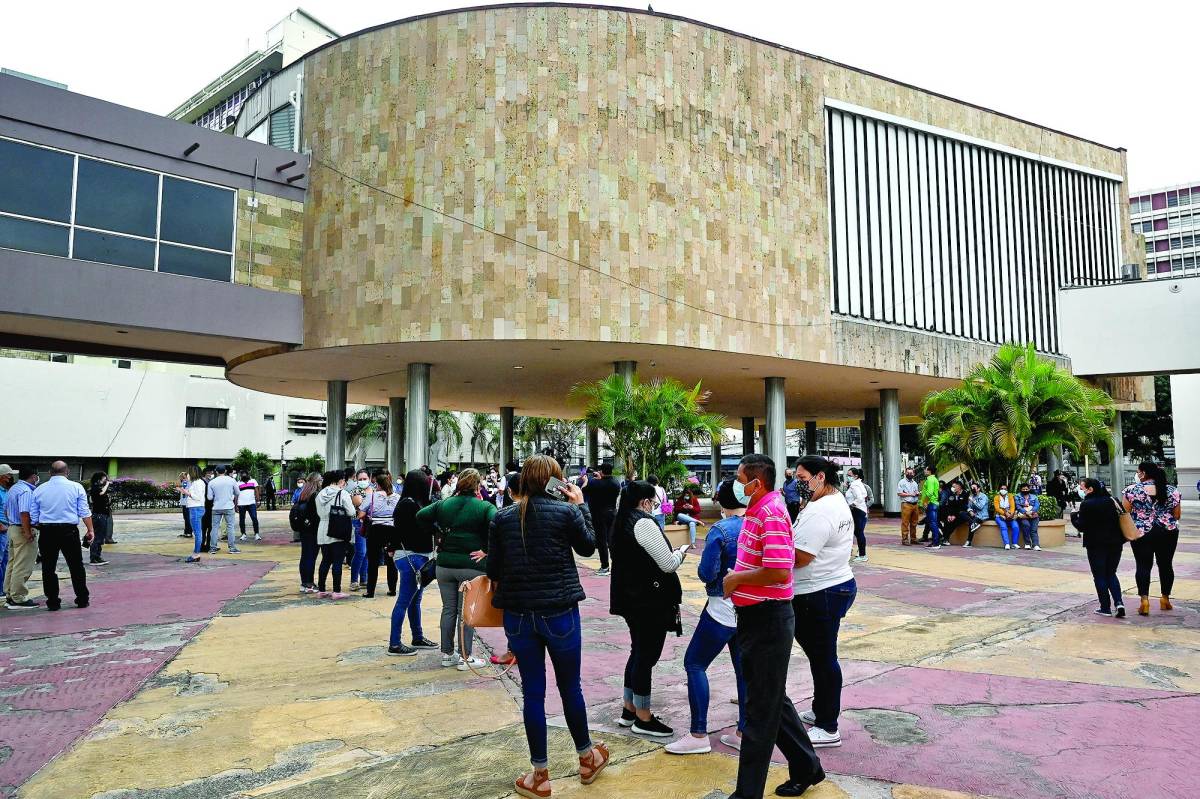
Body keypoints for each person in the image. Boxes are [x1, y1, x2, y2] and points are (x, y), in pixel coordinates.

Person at [487, 454, 609, 796]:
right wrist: (581, 505)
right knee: (571, 688)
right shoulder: (567, 512)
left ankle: (539, 774)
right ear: (554, 481)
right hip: (560, 614)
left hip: (519, 618)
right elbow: (588, 547)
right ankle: (586, 758)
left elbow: (494, 570)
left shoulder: (502, 517)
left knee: (533, 693)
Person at [722, 453, 823, 799]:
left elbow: (781, 569)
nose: (735, 484)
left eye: (739, 478)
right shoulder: (757, 508)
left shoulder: (771, 511)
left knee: (759, 712)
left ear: (756, 482)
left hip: (768, 618)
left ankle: (746, 793)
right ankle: (807, 766)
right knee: (771, 700)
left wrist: (737, 580)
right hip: (755, 618)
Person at [665, 478, 747, 755]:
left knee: (695, 663)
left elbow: (706, 572)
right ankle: (743, 731)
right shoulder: (757, 524)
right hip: (749, 607)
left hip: (720, 605)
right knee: (743, 669)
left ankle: (698, 733)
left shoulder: (721, 530)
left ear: (722, 502)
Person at [790, 455, 857, 749]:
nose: (798, 484)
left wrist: (768, 557)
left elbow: (801, 557)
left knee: (823, 657)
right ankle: (821, 709)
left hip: (821, 591)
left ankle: (828, 726)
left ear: (820, 477)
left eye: (803, 479)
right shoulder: (830, 500)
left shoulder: (822, 510)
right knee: (820, 656)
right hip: (832, 585)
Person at [610, 479, 686, 738]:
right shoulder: (643, 522)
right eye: (653, 503)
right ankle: (643, 717)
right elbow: (667, 564)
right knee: (646, 657)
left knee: (638, 651)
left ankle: (628, 708)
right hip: (650, 601)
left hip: (630, 599)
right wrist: (682, 552)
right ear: (644, 502)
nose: (654, 508)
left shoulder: (620, 521)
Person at [417, 468, 496, 670]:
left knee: (448, 609)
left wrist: (439, 532)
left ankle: (447, 655)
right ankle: (465, 656)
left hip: (444, 566)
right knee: (466, 613)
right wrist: (486, 550)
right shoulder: (484, 506)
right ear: (477, 485)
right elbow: (499, 524)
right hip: (472, 567)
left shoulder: (443, 504)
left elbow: (420, 515)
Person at [387, 470, 439, 655]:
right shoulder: (409, 505)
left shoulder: (408, 503)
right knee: (404, 600)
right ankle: (394, 643)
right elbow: (420, 529)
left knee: (414, 600)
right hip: (412, 556)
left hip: (413, 556)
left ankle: (417, 637)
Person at [31, 460, 95, 611]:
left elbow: (34, 516)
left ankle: (53, 601)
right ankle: (82, 599)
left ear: (49, 473)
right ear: (67, 472)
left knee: (48, 568)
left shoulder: (39, 489)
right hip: (69, 531)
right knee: (76, 566)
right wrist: (90, 530)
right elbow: (84, 512)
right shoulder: (76, 487)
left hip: (47, 532)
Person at [1122, 462, 1182, 616]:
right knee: (1166, 565)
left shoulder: (1131, 490)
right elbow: (1177, 515)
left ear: (1143, 473)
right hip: (1167, 531)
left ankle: (1145, 601)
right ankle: (1165, 599)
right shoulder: (1172, 490)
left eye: (1138, 472)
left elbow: (1125, 513)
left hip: (1142, 532)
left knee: (1142, 565)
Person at [1071, 478, 1126, 617]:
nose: (1081, 491)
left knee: (1099, 576)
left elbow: (1081, 526)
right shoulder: (1112, 501)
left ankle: (1105, 607)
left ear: (1090, 489)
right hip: (1115, 543)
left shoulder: (1086, 504)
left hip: (1095, 545)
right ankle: (1119, 602)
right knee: (1111, 573)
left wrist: (1073, 516)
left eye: (1083, 488)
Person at [315, 470, 355, 599]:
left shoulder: (320, 494)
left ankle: (321, 590)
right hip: (338, 529)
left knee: (325, 560)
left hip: (322, 529)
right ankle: (336, 591)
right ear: (340, 481)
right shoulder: (342, 493)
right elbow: (351, 511)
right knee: (337, 561)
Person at [4, 465, 40, 609]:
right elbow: (24, 513)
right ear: (33, 476)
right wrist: (27, 532)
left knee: (12, 563)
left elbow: (6, 511)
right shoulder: (26, 491)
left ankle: (9, 594)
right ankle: (18, 597)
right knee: (23, 565)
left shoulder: (13, 489)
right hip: (22, 529)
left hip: (13, 528)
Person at [359, 470, 399, 598]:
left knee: (373, 562)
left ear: (378, 484)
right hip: (392, 530)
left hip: (375, 530)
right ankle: (392, 589)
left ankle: (370, 591)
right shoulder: (397, 497)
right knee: (391, 561)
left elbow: (361, 513)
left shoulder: (372, 496)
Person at [581, 462, 621, 576]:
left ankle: (604, 566)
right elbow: (605, 484)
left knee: (601, 540)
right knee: (611, 539)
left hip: (599, 515)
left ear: (601, 471)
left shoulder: (595, 483)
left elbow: (583, 490)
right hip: (612, 513)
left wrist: (586, 480)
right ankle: (617, 565)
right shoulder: (616, 483)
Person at [292, 473, 322, 592]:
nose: (321, 482)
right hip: (313, 530)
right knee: (311, 557)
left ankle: (304, 583)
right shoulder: (315, 495)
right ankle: (309, 583)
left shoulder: (303, 493)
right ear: (316, 481)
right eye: (320, 480)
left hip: (304, 529)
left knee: (305, 556)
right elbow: (316, 515)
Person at [206, 465, 239, 554]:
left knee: (215, 527)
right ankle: (232, 548)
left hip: (216, 507)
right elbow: (237, 492)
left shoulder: (212, 482)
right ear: (225, 471)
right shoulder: (232, 480)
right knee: (230, 526)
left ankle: (213, 548)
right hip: (228, 506)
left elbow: (209, 497)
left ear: (216, 471)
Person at [348, 468, 372, 590]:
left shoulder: (374, 489)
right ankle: (354, 581)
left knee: (367, 552)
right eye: (360, 479)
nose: (362, 481)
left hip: (372, 523)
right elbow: (359, 504)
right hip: (360, 522)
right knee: (361, 552)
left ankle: (364, 579)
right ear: (356, 480)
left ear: (369, 478)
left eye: (365, 479)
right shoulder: (355, 491)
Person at [843, 468, 868, 563]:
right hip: (860, 510)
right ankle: (861, 553)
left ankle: (862, 554)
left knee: (858, 533)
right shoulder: (858, 484)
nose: (848, 477)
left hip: (856, 510)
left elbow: (860, 498)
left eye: (849, 475)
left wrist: (852, 504)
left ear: (855, 476)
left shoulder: (854, 485)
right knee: (858, 532)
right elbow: (864, 494)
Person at [87, 472, 113, 565]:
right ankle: (94, 558)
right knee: (97, 537)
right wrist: (106, 485)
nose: (105, 481)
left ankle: (97, 556)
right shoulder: (95, 488)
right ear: (98, 479)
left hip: (102, 515)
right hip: (99, 515)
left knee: (100, 537)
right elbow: (101, 493)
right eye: (104, 479)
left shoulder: (98, 488)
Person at [183, 466, 206, 563]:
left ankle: (196, 554)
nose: (187, 475)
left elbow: (197, 497)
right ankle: (196, 553)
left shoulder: (197, 483)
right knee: (197, 532)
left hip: (195, 508)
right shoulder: (196, 482)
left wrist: (187, 493)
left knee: (197, 532)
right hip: (195, 508)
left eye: (188, 473)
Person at [938, 481, 969, 546]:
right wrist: (950, 515)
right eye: (953, 486)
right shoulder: (952, 494)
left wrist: (954, 515)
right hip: (953, 514)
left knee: (954, 522)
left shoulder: (965, 494)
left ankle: (945, 538)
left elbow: (962, 506)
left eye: (955, 486)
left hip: (962, 514)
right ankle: (945, 539)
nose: (954, 488)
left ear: (959, 486)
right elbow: (950, 506)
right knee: (947, 521)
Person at [896, 467, 921, 545]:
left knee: (914, 523)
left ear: (914, 474)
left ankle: (913, 538)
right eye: (908, 473)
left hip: (915, 504)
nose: (909, 474)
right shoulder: (902, 482)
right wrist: (910, 494)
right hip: (906, 504)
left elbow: (915, 492)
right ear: (905, 473)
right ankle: (905, 539)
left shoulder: (915, 483)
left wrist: (917, 493)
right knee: (905, 523)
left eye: (911, 473)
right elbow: (899, 493)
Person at [0, 465, 14, 596]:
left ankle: (2, 589)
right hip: (1, 528)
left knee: (5, 560)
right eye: (9, 475)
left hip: (6, 528)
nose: (11, 478)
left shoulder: (5, 491)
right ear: (2, 476)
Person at [962, 482, 989, 547]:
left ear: (979, 488)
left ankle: (969, 542)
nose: (972, 489)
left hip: (981, 516)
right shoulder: (971, 496)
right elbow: (968, 506)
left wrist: (973, 500)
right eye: (971, 488)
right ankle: (973, 524)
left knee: (973, 523)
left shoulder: (983, 496)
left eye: (974, 487)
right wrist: (970, 511)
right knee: (961, 513)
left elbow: (980, 507)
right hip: (973, 514)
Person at [1015, 483, 1041, 550]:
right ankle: (1027, 543)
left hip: (1033, 515)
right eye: (1023, 489)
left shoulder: (1034, 496)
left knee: (1033, 530)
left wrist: (1031, 512)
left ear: (1029, 489)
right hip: (1023, 516)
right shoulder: (1017, 496)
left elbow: (1037, 505)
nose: (1025, 490)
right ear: (1021, 489)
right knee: (1026, 526)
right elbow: (1018, 506)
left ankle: (1036, 545)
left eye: (1026, 489)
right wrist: (1026, 512)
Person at [236, 471, 261, 542]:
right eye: (242, 475)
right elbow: (236, 495)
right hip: (241, 504)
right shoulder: (238, 483)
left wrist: (258, 500)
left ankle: (256, 534)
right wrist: (236, 505)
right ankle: (243, 534)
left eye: (245, 475)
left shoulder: (253, 481)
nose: (243, 476)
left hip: (251, 503)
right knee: (242, 519)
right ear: (240, 476)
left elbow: (256, 491)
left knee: (254, 518)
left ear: (248, 475)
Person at [993, 485, 1018, 550]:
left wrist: (1011, 514)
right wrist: (1004, 513)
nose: (1003, 490)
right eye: (1002, 488)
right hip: (999, 516)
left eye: (1005, 489)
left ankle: (1014, 544)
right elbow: (997, 508)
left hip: (1010, 515)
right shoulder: (996, 497)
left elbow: (1012, 506)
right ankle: (1007, 544)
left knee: (1015, 526)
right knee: (1003, 527)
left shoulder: (1010, 496)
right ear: (999, 489)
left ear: (1007, 490)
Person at [919, 465, 940, 546]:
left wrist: (925, 502)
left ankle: (935, 543)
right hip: (933, 503)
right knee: (933, 523)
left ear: (929, 471)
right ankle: (936, 541)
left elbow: (929, 493)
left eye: (925, 469)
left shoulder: (930, 480)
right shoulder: (934, 479)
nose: (924, 470)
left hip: (931, 503)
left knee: (932, 523)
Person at [200, 467, 215, 552]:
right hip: (203, 507)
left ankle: (209, 545)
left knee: (210, 527)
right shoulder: (202, 482)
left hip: (211, 507)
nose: (210, 475)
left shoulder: (212, 482)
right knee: (203, 527)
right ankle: (202, 545)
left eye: (211, 473)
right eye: (209, 473)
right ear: (205, 473)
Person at [177, 471, 193, 539]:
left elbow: (186, 492)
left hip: (187, 503)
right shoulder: (187, 482)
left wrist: (180, 490)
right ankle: (187, 532)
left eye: (183, 477)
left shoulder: (187, 483)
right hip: (185, 503)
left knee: (187, 518)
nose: (183, 479)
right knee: (186, 518)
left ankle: (188, 532)